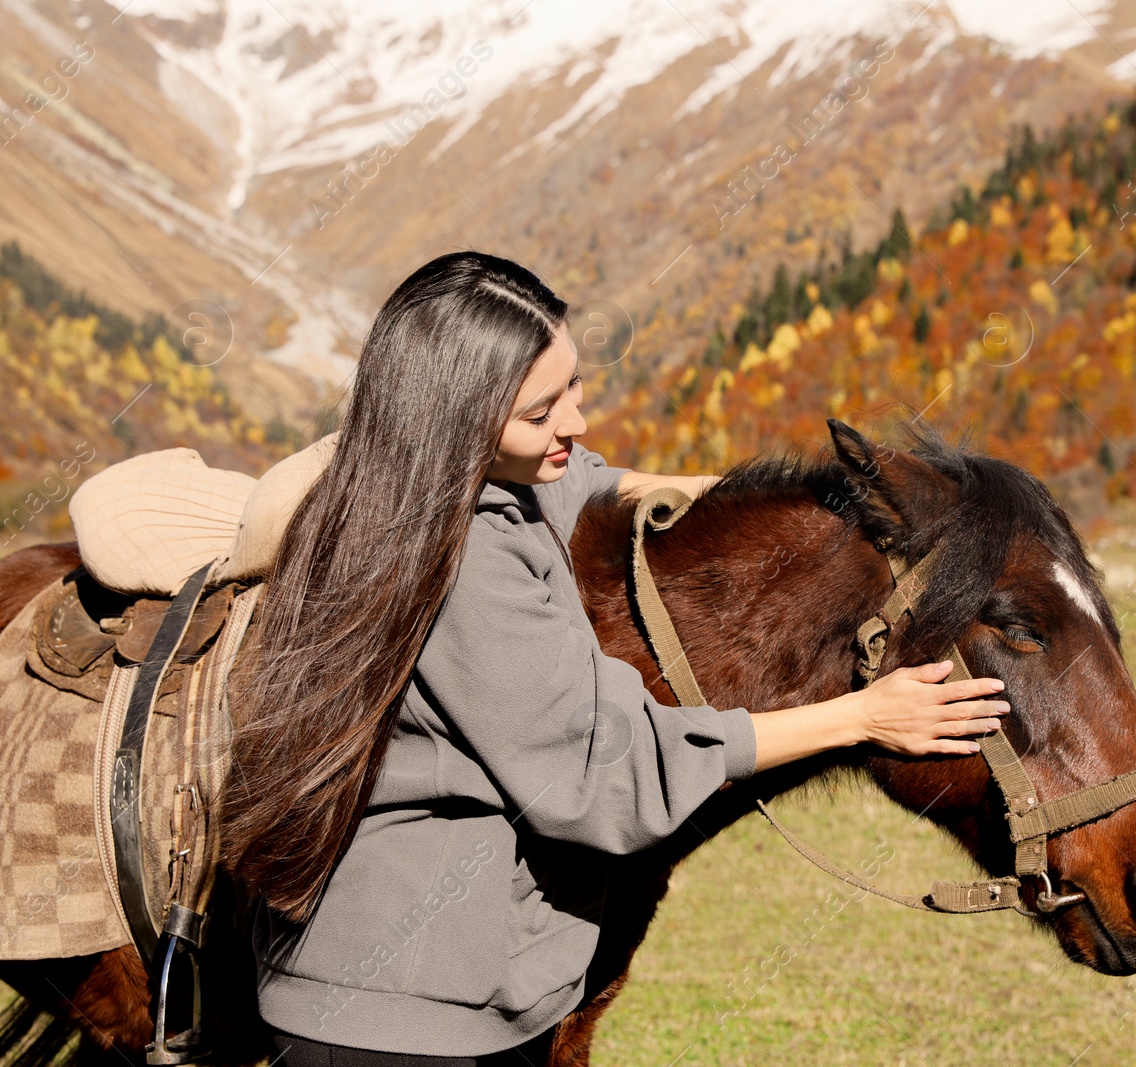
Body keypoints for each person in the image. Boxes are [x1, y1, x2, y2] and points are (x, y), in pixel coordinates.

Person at [221, 251, 1009, 1066]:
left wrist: (802, 514)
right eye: (540, 411)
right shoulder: (461, 562)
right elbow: (608, 775)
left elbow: (589, 481)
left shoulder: (422, 486)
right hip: (399, 1031)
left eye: (574, 387)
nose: (575, 421)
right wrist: (856, 716)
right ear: (456, 421)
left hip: (415, 1002)